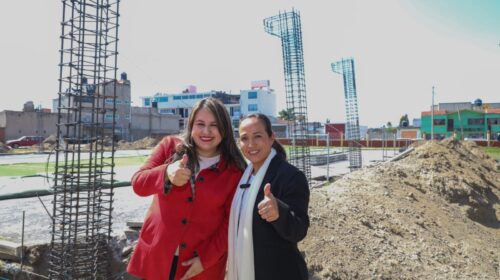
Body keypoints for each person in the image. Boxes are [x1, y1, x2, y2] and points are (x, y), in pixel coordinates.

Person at [127, 98, 246, 280]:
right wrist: (166, 172)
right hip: (157, 258)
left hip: (199, 266)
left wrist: (206, 259)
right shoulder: (169, 147)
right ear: (191, 125)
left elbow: (230, 223)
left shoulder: (234, 171)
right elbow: (138, 184)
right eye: (200, 124)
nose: (206, 131)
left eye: (214, 125)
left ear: (225, 129)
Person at [228, 113, 310, 280]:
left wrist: (279, 212)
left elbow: (299, 230)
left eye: (258, 136)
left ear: (272, 138)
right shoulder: (244, 176)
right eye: (244, 138)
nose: (251, 144)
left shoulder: (290, 176)